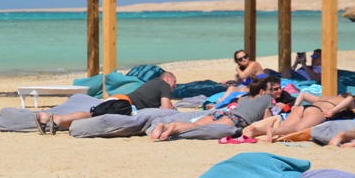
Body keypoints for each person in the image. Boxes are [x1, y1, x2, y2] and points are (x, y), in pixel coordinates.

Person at [34, 72, 177, 134]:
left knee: (92, 116)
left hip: (119, 100)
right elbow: (165, 109)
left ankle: (52, 119)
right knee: (92, 115)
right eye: (174, 83)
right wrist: (172, 109)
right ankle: (54, 118)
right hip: (124, 103)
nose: (175, 86)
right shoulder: (163, 84)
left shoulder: (153, 84)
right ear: (168, 79)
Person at [151, 78, 271, 141]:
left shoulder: (243, 98)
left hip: (222, 112)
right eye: (270, 90)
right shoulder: (267, 98)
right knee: (199, 128)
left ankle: (168, 126)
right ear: (262, 91)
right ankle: (171, 129)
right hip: (236, 118)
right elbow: (267, 119)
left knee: (195, 124)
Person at [246, 92, 355, 143]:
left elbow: (303, 94)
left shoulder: (324, 97)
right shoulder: (343, 100)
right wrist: (333, 111)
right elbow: (349, 100)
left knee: (284, 128)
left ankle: (255, 130)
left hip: (303, 107)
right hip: (316, 111)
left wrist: (295, 105)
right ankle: (271, 130)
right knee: (296, 129)